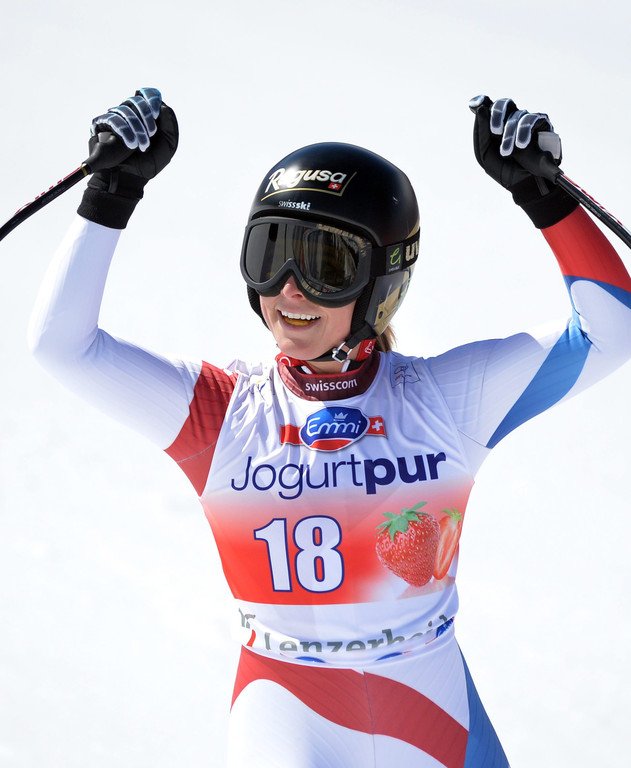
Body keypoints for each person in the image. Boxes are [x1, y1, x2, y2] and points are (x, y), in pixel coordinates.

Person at [28, 88, 631, 768]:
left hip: (433, 712)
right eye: (270, 255)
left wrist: (544, 198)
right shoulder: (223, 412)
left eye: (327, 266)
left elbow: (611, 329)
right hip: (288, 715)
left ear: (380, 285)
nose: (290, 288)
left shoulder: (445, 401)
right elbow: (60, 345)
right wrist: (111, 195)